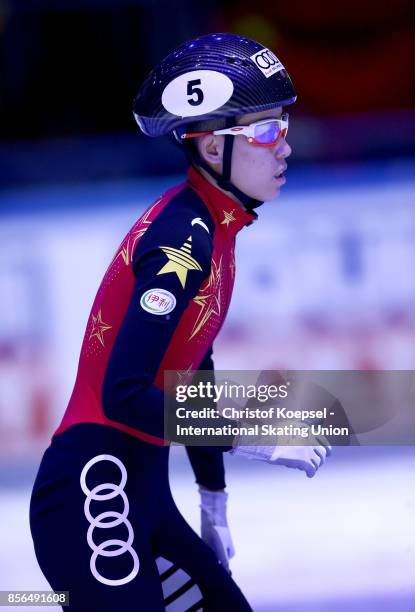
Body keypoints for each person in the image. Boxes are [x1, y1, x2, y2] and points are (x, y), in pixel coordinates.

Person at [30, 33, 332, 611]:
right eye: (266, 132)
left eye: (284, 129)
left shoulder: (216, 229)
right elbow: (123, 396)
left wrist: (212, 496)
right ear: (212, 148)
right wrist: (257, 437)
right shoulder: (182, 238)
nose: (284, 148)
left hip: (141, 487)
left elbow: (192, 373)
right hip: (93, 493)